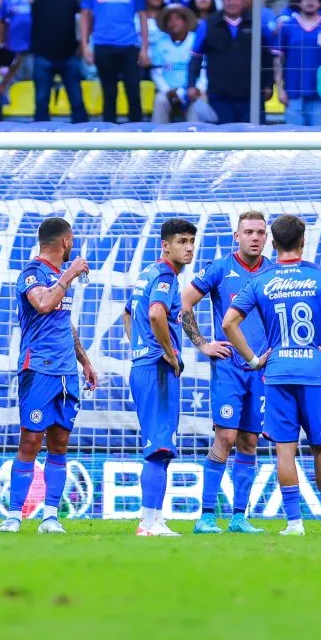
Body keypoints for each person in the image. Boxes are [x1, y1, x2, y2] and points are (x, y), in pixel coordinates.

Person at [223, 215, 321, 536]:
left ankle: (294, 524)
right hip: (315, 372)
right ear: (303, 242)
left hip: (277, 372)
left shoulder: (260, 281)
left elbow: (229, 323)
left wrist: (254, 359)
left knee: (285, 449)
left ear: (273, 243)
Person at [0, 218, 97, 534]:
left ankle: (51, 516)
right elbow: (43, 304)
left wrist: (84, 361)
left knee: (60, 442)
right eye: (72, 241)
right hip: (38, 366)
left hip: (67, 371)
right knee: (30, 440)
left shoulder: (57, 277)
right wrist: (70, 274)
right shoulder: (33, 273)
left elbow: (64, 321)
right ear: (66, 241)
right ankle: (14, 515)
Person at [182, 212, 272, 534]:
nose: (255, 237)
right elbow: (184, 303)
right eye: (248, 231)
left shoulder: (273, 274)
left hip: (261, 370)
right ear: (237, 236)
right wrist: (203, 344)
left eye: (260, 232)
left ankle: (238, 517)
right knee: (226, 436)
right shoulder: (220, 268)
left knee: (249, 441)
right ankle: (206, 516)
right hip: (229, 368)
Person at [121, 218, 196, 537]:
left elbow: (128, 313)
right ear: (165, 245)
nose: (189, 247)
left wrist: (139, 347)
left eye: (192, 240)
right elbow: (155, 314)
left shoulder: (146, 274)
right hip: (157, 370)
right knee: (160, 446)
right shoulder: (165, 275)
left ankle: (154, 517)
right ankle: (148, 522)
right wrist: (168, 351)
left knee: (160, 445)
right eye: (181, 241)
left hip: (142, 366)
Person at [188, 0, 271, 124]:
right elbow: (196, 57)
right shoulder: (208, 24)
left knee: (255, 141)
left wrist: (269, 84)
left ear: (243, 0)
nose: (232, 3)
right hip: (220, 97)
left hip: (252, 96)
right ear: (221, 0)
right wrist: (191, 84)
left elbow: (268, 55)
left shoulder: (257, 22)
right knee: (224, 142)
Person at [81, 0, 149, 123]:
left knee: (133, 92)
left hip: (129, 46)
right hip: (103, 45)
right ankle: (108, 138)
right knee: (109, 93)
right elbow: (85, 16)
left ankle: (137, 135)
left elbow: (142, 17)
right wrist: (85, 45)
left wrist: (144, 48)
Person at [25, 0, 87, 122]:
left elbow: (86, 18)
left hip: (69, 56)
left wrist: (83, 43)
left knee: (78, 102)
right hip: (43, 56)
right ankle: (38, 144)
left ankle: (86, 141)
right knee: (41, 102)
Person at [273, 0, 321, 127]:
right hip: (292, 92)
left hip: (320, 93)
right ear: (299, 2)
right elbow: (278, 60)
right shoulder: (288, 26)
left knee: (320, 141)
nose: (310, 1)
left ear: (320, 3)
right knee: (293, 141)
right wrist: (280, 89)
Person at [150, 4, 213, 122]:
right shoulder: (160, 44)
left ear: (185, 22)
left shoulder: (196, 40)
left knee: (200, 102)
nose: (174, 22)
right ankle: (158, 137)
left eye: (177, 19)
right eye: (170, 19)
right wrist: (167, 90)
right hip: (169, 90)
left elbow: (205, 69)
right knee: (160, 100)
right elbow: (156, 73)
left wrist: (199, 88)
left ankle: (196, 137)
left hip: (193, 89)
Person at [0, 0, 34, 78]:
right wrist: (2, 42)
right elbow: (2, 22)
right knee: (14, 84)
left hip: (34, 50)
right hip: (13, 50)